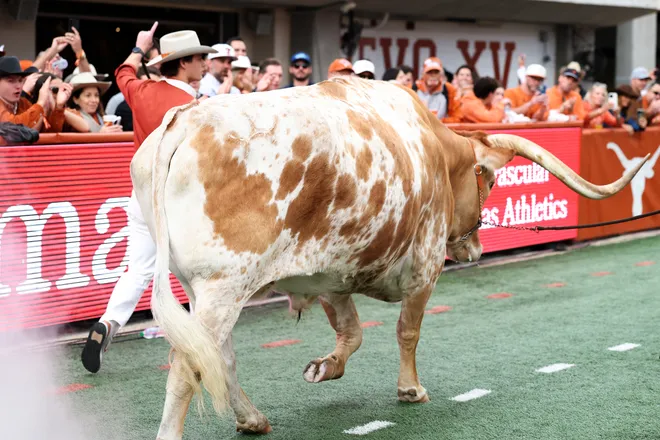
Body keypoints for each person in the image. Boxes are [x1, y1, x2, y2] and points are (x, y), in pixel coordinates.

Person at [81, 23, 217, 374]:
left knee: (139, 268)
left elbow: (123, 71)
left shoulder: (141, 90)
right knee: (198, 271)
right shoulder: (196, 106)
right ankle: (199, 335)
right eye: (200, 58)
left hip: (142, 196)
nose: (205, 64)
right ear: (185, 63)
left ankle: (109, 323)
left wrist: (139, 47)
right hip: (179, 200)